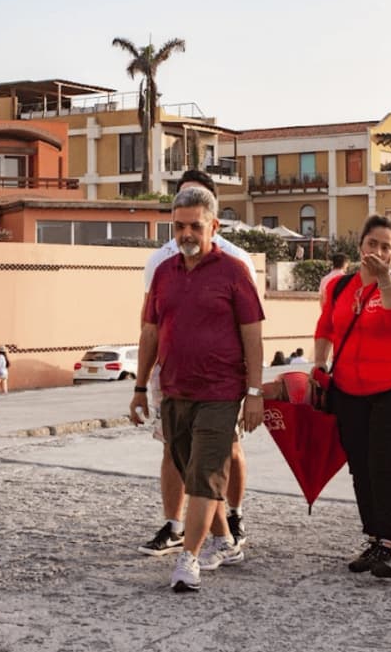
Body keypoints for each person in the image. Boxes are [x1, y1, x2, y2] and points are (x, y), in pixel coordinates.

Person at [131, 186, 265, 592]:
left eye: (194, 226)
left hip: (221, 392)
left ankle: (188, 559)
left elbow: (253, 335)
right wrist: (140, 387)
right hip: (175, 390)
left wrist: (254, 393)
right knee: (193, 472)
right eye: (179, 227)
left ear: (214, 226)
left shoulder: (234, 271)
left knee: (205, 474)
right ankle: (225, 541)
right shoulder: (163, 273)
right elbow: (150, 332)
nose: (186, 234)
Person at [312, 214, 391, 579]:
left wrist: (385, 279)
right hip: (348, 390)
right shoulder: (339, 286)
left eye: (386, 247)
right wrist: (319, 363)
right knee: (360, 466)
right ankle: (373, 537)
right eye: (372, 243)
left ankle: (388, 544)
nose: (377, 251)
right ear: (360, 246)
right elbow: (325, 326)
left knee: (384, 465)